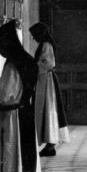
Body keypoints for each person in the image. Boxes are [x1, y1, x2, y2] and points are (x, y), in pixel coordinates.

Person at [0, 20, 46, 172]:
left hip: (12, 118)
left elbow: (4, 93)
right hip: (25, 113)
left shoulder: (12, 65)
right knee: (27, 160)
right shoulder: (28, 60)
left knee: (11, 160)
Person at [29, 22, 69, 157]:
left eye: (34, 35)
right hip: (43, 80)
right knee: (45, 110)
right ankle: (49, 143)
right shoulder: (44, 45)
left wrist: (33, 65)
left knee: (48, 110)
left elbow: (49, 63)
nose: (34, 38)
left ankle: (51, 144)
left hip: (47, 80)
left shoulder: (46, 45)